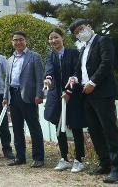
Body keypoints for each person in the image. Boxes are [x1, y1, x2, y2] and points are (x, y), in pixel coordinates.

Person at [69, 19, 118, 184]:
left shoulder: (102, 40)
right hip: (87, 95)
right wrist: (74, 77)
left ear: (89, 27)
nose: (80, 33)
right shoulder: (83, 48)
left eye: (81, 29)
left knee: (109, 130)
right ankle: (105, 162)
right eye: (76, 33)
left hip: (102, 93)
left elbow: (107, 63)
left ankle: (117, 168)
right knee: (94, 131)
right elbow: (79, 70)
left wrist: (93, 82)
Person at [43, 28, 86, 173]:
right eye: (51, 38)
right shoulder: (50, 55)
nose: (53, 40)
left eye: (56, 37)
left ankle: (79, 160)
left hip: (73, 97)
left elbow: (76, 72)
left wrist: (69, 91)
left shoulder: (73, 53)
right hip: (56, 97)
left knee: (76, 127)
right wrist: (48, 79)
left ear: (62, 38)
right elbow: (49, 71)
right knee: (59, 128)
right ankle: (64, 159)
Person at [3, 31, 45, 168]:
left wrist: (39, 95)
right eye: (15, 40)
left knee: (34, 128)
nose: (18, 42)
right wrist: (5, 97)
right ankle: (20, 157)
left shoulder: (34, 57)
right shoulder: (9, 60)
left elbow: (40, 78)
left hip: (29, 97)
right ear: (12, 42)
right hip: (13, 96)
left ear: (25, 41)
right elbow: (7, 81)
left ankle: (38, 158)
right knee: (17, 128)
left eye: (20, 39)